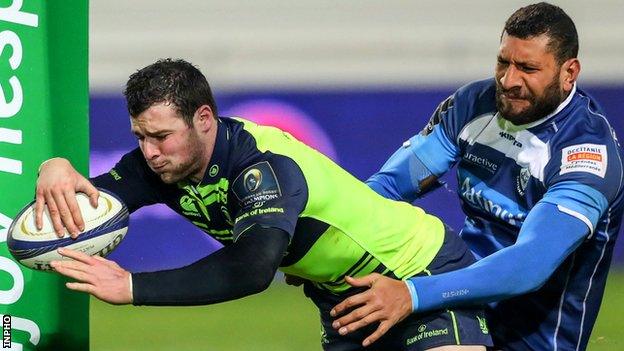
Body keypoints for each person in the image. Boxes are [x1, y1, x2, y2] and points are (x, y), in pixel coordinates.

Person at [36, 59, 492, 350]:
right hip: (344, 298)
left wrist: (134, 288)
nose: (150, 151)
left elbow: (251, 269)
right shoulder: (159, 165)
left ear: (204, 119)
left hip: (418, 269)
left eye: (161, 136)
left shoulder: (262, 166)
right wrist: (53, 167)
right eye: (140, 137)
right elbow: (86, 203)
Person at [329, 3, 624, 351]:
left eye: (527, 68)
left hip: (528, 340)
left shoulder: (586, 154)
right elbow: (388, 187)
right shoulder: (475, 104)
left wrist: (412, 294)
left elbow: (529, 265)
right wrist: (325, 236)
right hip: (458, 316)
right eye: (504, 62)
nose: (508, 80)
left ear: (569, 72)